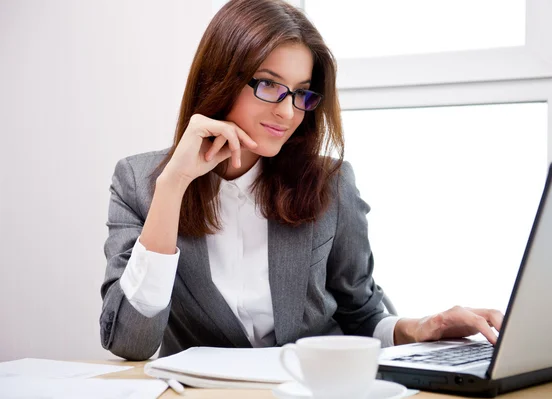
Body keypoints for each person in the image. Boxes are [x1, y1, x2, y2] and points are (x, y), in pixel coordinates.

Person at [100, 0, 504, 361]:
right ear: (218, 78)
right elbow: (131, 344)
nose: (288, 112)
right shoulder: (139, 182)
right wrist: (174, 186)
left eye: (301, 93)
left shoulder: (329, 183)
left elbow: (360, 314)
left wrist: (421, 328)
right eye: (269, 84)